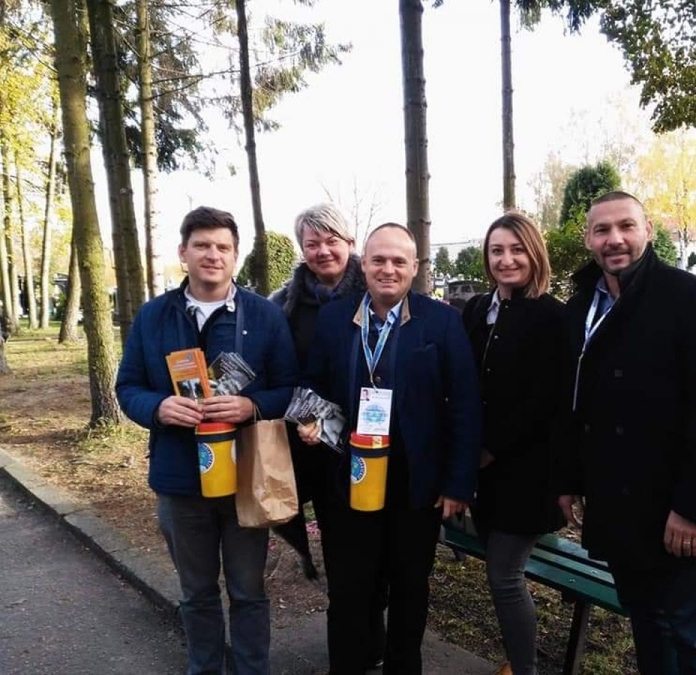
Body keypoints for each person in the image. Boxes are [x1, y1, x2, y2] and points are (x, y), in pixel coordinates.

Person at [558, 192, 696, 675]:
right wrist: (570, 479)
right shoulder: (581, 307)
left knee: (692, 637)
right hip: (616, 509)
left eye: (626, 226)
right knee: (647, 628)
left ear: (647, 231)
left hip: (672, 508)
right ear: (588, 240)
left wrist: (695, 507)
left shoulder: (692, 300)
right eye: (602, 230)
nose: (614, 239)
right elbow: (576, 404)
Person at [116, 206, 299, 675]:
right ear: (183, 253)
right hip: (179, 481)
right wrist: (158, 408)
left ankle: (252, 670)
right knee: (196, 593)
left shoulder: (264, 316)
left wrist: (251, 406)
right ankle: (204, 668)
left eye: (222, 247)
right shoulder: (153, 316)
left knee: (248, 591)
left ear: (235, 256)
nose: (212, 255)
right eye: (202, 245)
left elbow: (289, 388)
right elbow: (128, 386)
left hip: (246, 479)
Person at [298, 222, 481, 675]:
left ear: (415, 267)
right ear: (363, 263)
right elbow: (312, 384)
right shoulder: (335, 318)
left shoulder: (442, 321)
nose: (388, 269)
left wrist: (458, 484)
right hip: (349, 475)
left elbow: (464, 404)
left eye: (399, 261)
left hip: (416, 483)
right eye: (378, 259)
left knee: (409, 589)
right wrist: (311, 419)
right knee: (348, 588)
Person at [268, 202, 387, 668]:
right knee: (340, 554)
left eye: (331, 240)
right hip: (311, 446)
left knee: (373, 549)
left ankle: (371, 640)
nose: (322, 251)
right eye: (312, 243)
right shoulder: (285, 304)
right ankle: (351, 648)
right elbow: (283, 372)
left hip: (370, 444)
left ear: (350, 243)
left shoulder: (375, 292)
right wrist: (307, 418)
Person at [461, 212, 566, 675]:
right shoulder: (477, 310)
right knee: (498, 570)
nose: (506, 260)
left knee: (504, 575)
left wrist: (491, 447)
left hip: (528, 474)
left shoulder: (552, 316)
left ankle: (525, 669)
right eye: (497, 251)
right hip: (482, 473)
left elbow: (545, 401)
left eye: (516, 250)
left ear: (534, 253)